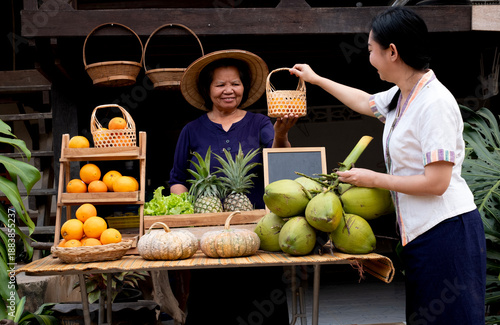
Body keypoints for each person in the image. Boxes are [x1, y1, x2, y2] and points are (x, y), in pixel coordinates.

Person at [290, 7, 486, 325]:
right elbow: (364, 101)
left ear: (392, 52)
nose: (370, 58)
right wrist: (315, 79)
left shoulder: (434, 103)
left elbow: (436, 183)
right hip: (421, 234)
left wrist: (374, 179)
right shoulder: (402, 95)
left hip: (447, 233)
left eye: (371, 50)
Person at [168, 49, 299, 324]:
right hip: (209, 236)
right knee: (212, 303)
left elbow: (280, 160)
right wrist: (188, 216)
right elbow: (177, 179)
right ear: (208, 89)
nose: (229, 90)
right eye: (220, 84)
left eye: (235, 83)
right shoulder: (192, 130)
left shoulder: (260, 123)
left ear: (244, 87)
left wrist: (282, 134)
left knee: (262, 298)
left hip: (258, 232)